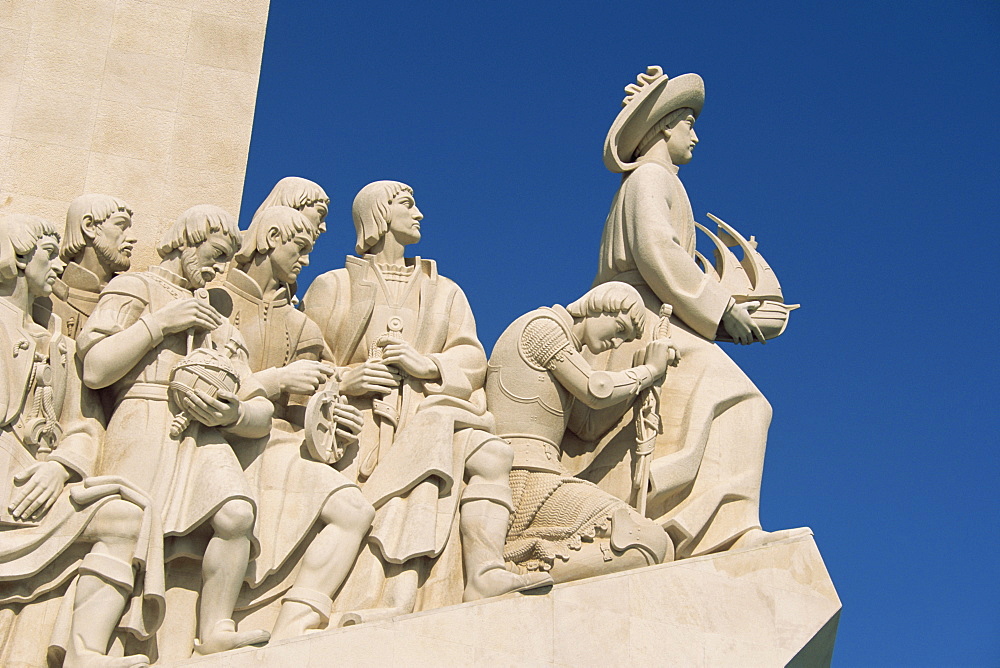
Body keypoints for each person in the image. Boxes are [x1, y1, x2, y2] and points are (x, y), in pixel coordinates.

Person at [584, 66, 808, 558]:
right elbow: (656, 250)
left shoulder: (665, 184)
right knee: (745, 402)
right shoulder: (649, 178)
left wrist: (726, 313)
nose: (696, 136)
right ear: (666, 126)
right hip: (638, 320)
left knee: (736, 405)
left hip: (660, 316)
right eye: (689, 124)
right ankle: (722, 531)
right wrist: (722, 309)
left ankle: (694, 517)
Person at [303, 181, 550, 622]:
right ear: (379, 215)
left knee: (492, 452)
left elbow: (472, 356)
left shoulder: (446, 290)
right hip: (358, 426)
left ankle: (485, 571)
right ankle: (385, 600)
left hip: (431, 409)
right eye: (407, 204)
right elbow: (303, 364)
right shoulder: (332, 286)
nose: (419, 214)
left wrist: (427, 365)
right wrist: (349, 378)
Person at [78, 205, 274, 656]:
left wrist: (233, 415)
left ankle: (217, 628)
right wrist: (158, 323)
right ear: (190, 238)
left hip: (204, 432)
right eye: (215, 253)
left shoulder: (219, 321)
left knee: (237, 515)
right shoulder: (135, 286)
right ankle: (96, 644)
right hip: (143, 419)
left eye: (226, 260)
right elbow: (95, 368)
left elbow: (258, 401)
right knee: (133, 531)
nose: (219, 268)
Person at [0, 213, 162, 668]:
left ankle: (86, 650)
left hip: (42, 482)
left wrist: (61, 466)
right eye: (47, 255)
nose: (58, 265)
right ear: (15, 260)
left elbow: (85, 424)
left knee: (126, 519)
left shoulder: (59, 345)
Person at [212, 205, 374, 640]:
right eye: (300, 249)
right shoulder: (214, 298)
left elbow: (305, 406)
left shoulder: (300, 325)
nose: (306, 261)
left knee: (354, 510)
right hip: (218, 439)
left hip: (280, 447)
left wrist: (331, 418)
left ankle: (292, 627)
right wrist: (276, 379)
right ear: (271, 238)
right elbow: (200, 382)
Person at [487, 282, 675, 583]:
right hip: (524, 476)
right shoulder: (543, 327)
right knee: (647, 541)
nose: (617, 343)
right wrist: (648, 371)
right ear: (600, 306)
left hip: (540, 474)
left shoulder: (567, 352)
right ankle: (519, 576)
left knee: (653, 544)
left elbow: (587, 427)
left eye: (625, 339)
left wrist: (639, 380)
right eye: (620, 328)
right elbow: (595, 389)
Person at [48, 194, 137, 340]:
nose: (132, 237)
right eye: (121, 226)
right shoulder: (45, 297)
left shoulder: (132, 300)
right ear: (89, 226)